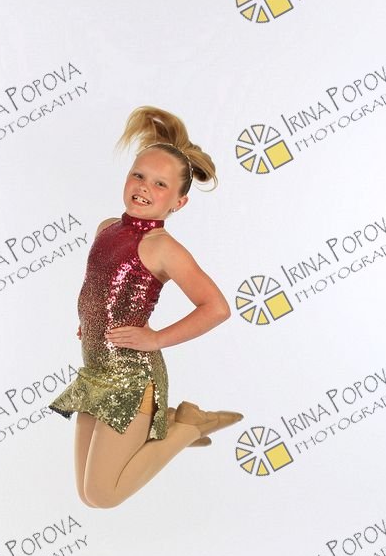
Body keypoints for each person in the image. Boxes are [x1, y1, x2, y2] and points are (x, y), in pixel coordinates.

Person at [50, 106, 242, 508]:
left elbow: (216, 307)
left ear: (178, 202)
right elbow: (98, 286)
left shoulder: (162, 247)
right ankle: (177, 423)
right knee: (86, 495)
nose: (144, 187)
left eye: (160, 184)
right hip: (95, 370)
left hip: (133, 379)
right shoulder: (107, 228)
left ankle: (186, 427)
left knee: (103, 495)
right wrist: (88, 320)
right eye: (138, 175)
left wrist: (156, 338)